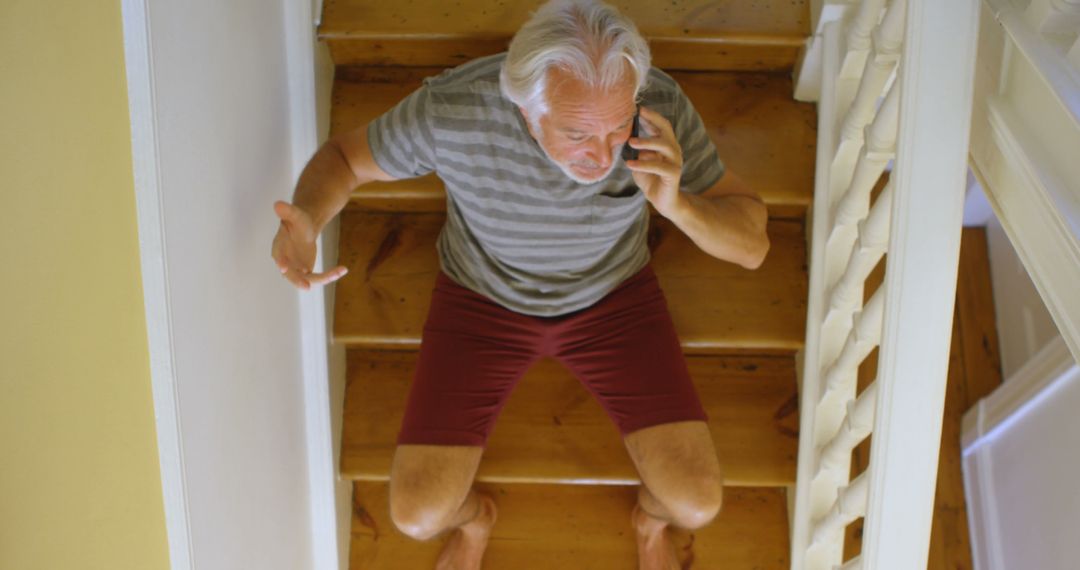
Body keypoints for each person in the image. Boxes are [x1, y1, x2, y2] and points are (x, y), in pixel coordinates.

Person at [271, 0, 769, 567]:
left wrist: (678, 205)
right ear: (526, 110)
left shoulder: (658, 109)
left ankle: (648, 520)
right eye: (578, 132)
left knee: (695, 503)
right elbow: (345, 157)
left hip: (614, 302)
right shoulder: (454, 109)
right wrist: (310, 216)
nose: (604, 155)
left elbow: (753, 245)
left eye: (617, 126)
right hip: (480, 302)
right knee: (418, 516)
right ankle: (475, 519)